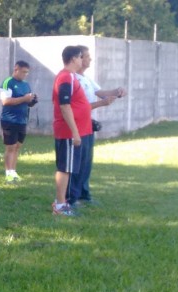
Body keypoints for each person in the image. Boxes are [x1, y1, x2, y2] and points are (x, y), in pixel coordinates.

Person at [66, 45, 127, 206]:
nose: (89, 59)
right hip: (76, 124)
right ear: (77, 58)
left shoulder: (86, 78)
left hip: (87, 124)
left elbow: (100, 92)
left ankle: (84, 195)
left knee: (86, 161)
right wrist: (101, 104)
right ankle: (71, 197)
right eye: (85, 56)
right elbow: (75, 107)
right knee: (76, 161)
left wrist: (117, 91)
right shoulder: (71, 79)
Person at [51, 46, 92, 216]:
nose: (83, 60)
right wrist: (75, 132)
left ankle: (62, 203)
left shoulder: (72, 77)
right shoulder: (66, 77)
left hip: (74, 131)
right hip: (68, 132)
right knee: (65, 168)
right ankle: (60, 205)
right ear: (74, 58)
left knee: (69, 168)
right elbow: (64, 105)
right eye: (81, 57)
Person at [0, 60, 38, 183]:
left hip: (22, 120)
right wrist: (24, 98)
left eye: (27, 73)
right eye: (23, 72)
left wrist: (31, 101)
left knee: (17, 147)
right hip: (9, 119)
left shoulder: (26, 85)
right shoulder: (8, 82)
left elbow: (27, 102)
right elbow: (5, 101)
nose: (25, 75)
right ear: (16, 69)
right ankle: (8, 173)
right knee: (10, 147)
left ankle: (13, 171)